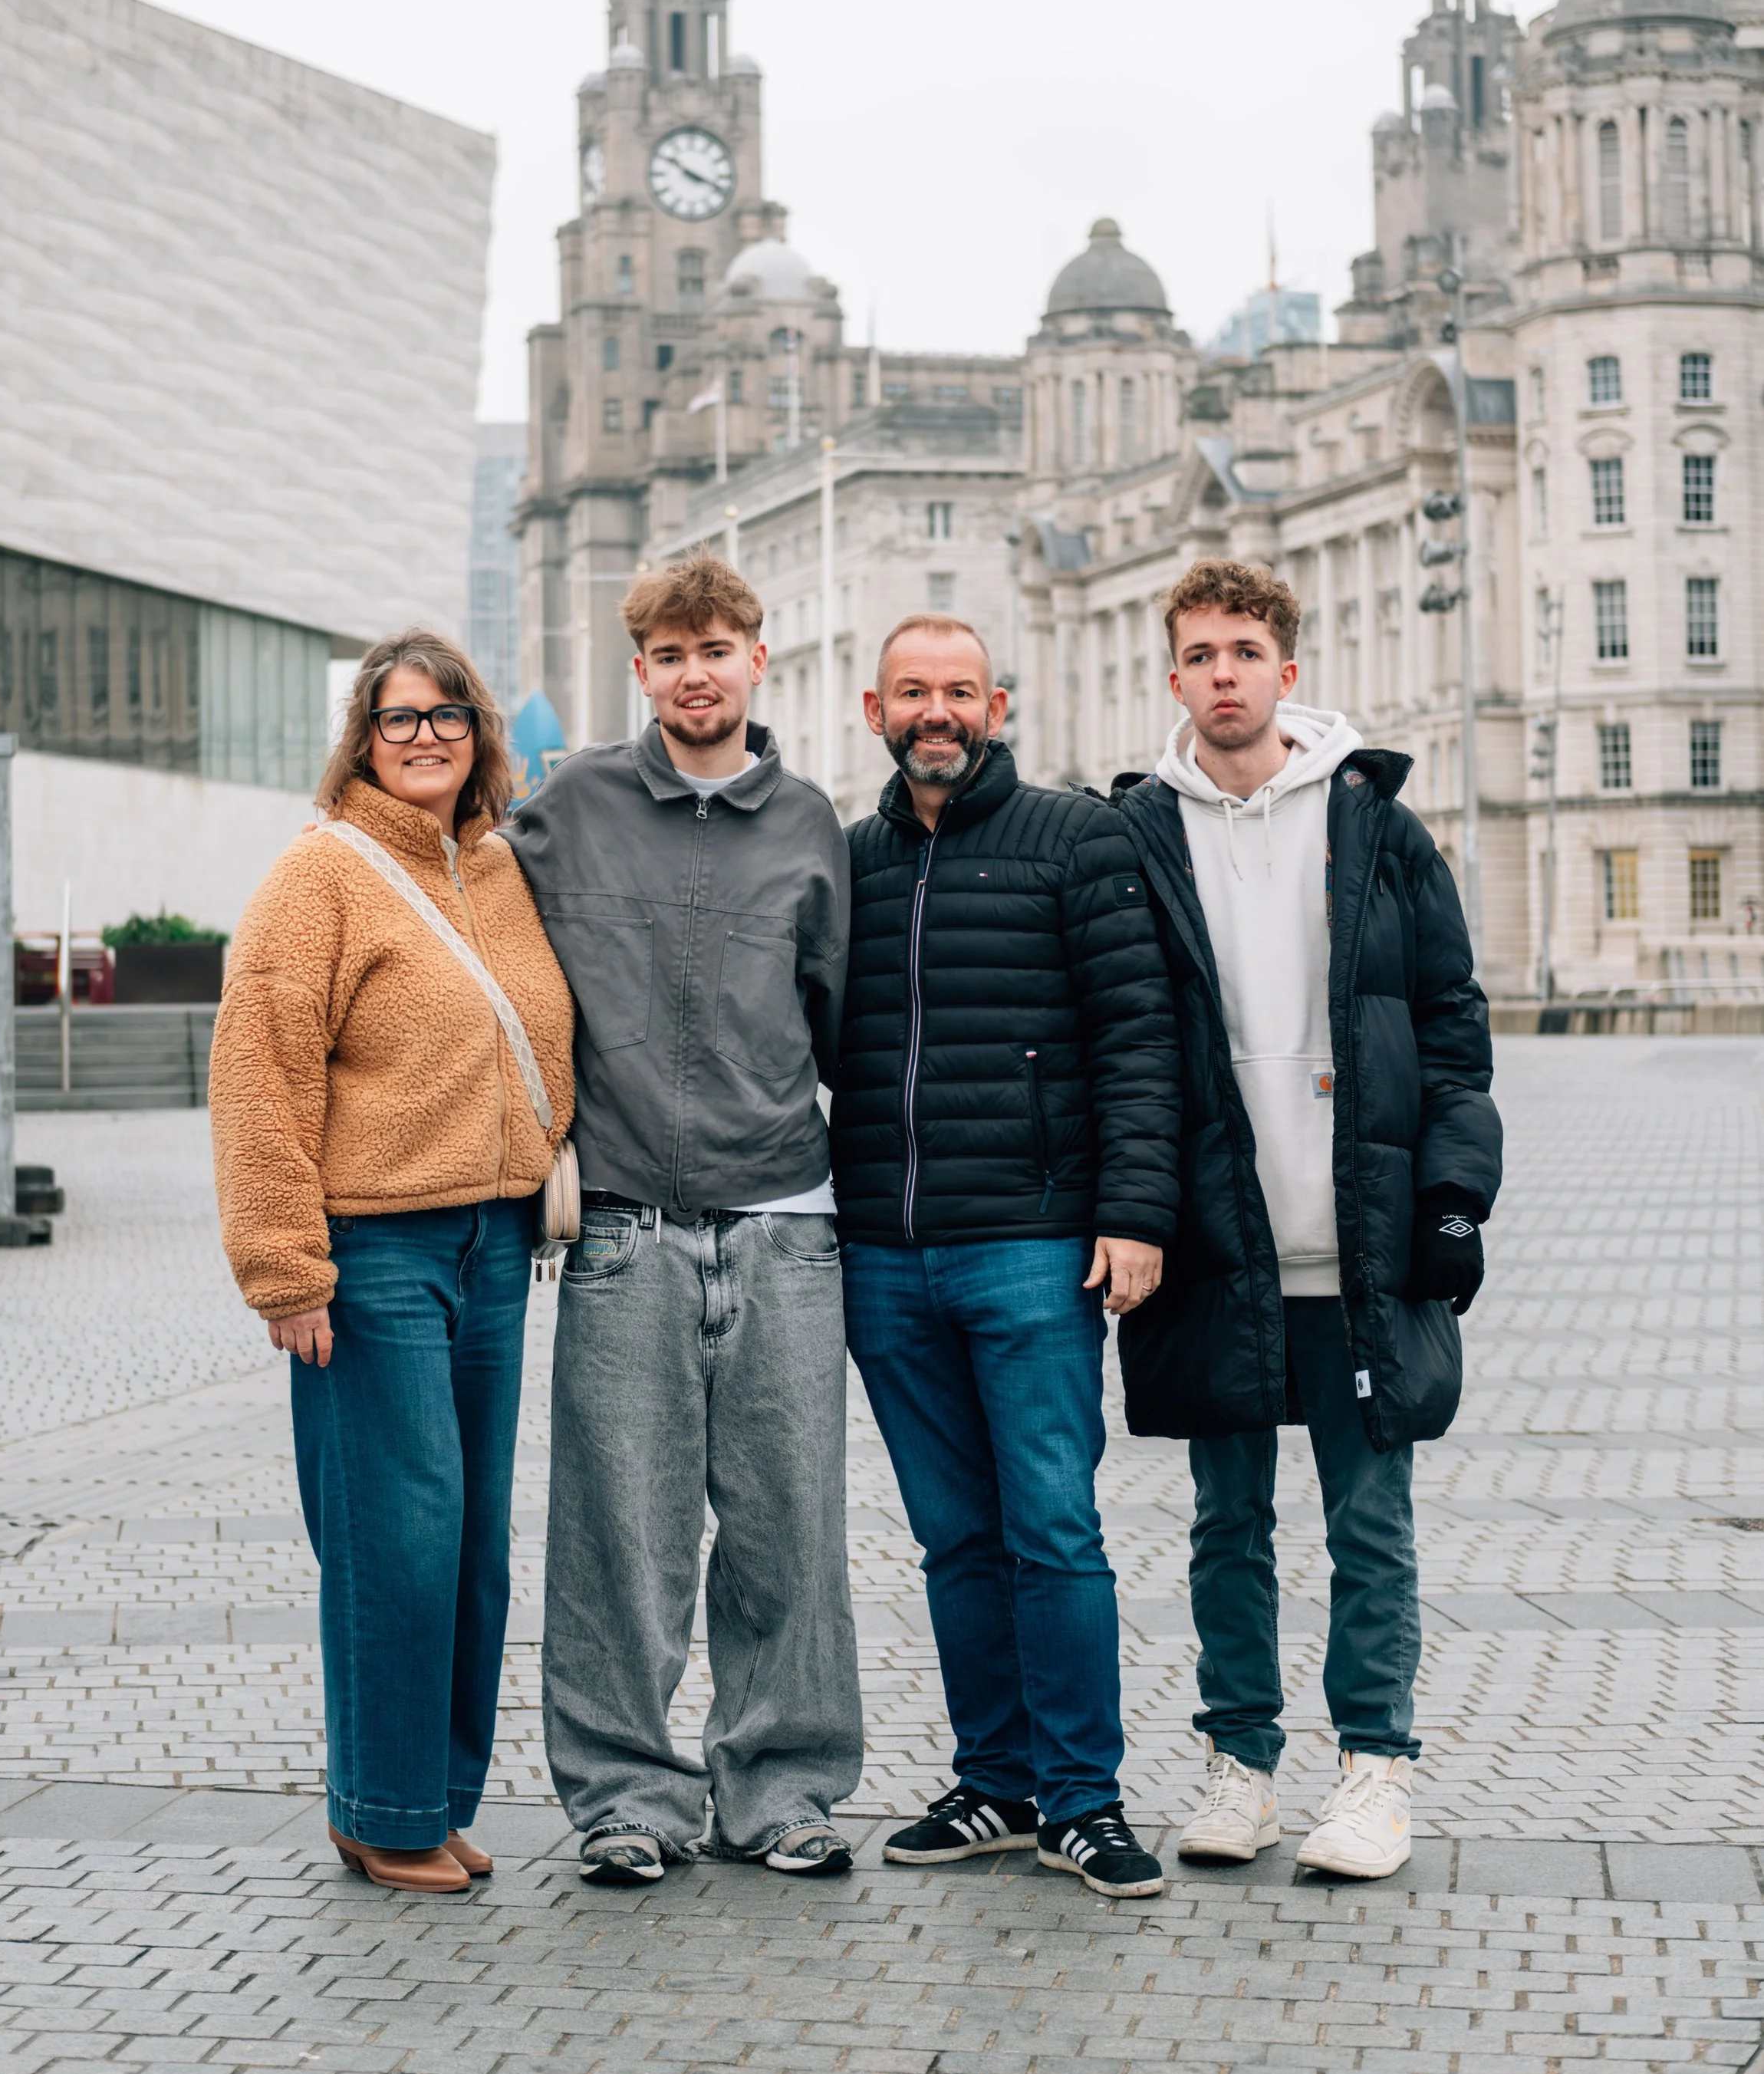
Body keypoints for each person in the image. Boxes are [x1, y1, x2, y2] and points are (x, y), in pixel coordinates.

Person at [1110, 558, 1501, 1880]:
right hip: (1216, 1241)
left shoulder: (1378, 825)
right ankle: (1241, 1763)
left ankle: (1375, 1771)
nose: (1223, 672)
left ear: (1289, 669)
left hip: (1359, 1240)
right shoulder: (1135, 834)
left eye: (1245, 649)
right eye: (1199, 652)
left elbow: (1450, 1019)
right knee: (1227, 1523)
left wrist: (1455, 1200)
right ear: (1173, 678)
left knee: (1367, 1520)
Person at [502, 551, 861, 1886]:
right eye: (669, 652)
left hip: (783, 1216)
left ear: (757, 659)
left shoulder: (810, 819)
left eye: (718, 647)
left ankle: (784, 1787)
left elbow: (838, 1013)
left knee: (789, 1524)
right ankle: (627, 1800)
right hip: (624, 1228)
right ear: (640, 668)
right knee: (619, 1528)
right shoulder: (573, 804)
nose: (695, 671)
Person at [209, 630, 573, 1895]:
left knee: (470, 1541)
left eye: (449, 715)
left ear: (481, 734)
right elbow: (258, 1068)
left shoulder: (500, 868)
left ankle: (431, 1798)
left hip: (492, 1247)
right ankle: (382, 1810)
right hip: (371, 1251)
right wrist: (284, 1265)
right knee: (394, 1539)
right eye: (399, 718)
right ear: (363, 737)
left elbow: (535, 1028)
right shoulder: (322, 876)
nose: (426, 737)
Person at [831, 614, 1180, 1901]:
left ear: (1000, 704)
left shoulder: (1078, 839)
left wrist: (1134, 1213)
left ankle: (1084, 1799)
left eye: (960, 692)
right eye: (914, 692)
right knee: (953, 1540)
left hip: (1033, 1249)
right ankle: (997, 1778)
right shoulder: (850, 859)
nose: (938, 712)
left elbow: (1140, 1037)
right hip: (885, 1252)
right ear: (875, 709)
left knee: (1053, 1529)